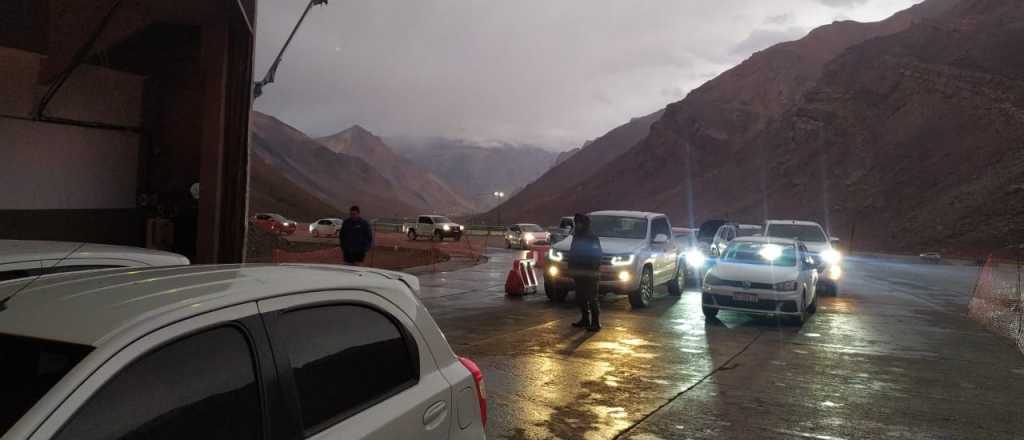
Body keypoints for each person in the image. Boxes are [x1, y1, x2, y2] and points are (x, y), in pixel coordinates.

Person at [567, 213, 603, 332]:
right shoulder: (577, 236)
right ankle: (585, 319)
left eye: (579, 223)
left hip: (590, 273)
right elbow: (572, 253)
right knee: (580, 297)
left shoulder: (591, 237)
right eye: (576, 223)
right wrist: (571, 268)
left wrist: (590, 269)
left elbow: (597, 256)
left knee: (592, 298)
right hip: (579, 273)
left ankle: (596, 322)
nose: (577, 225)